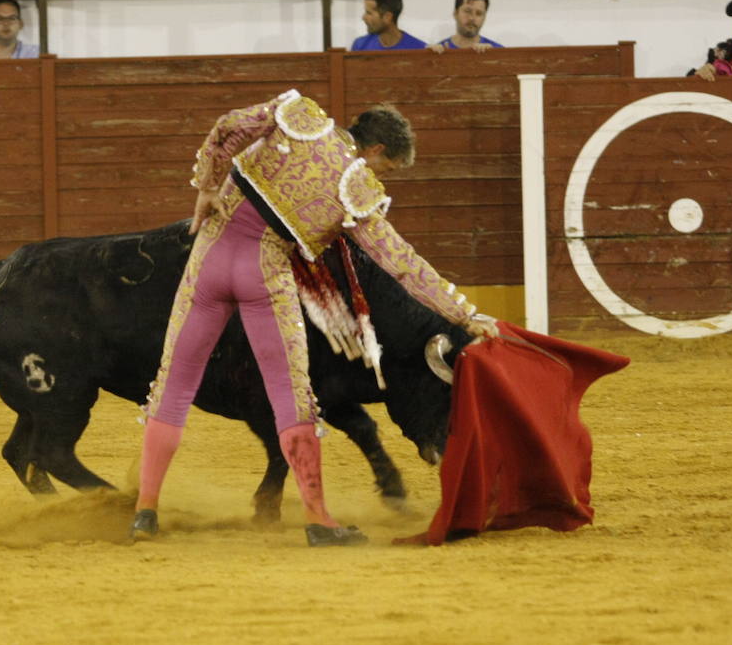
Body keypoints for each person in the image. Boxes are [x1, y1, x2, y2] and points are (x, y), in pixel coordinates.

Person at [129, 91, 496, 546]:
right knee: (291, 397)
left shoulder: (297, 114)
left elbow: (228, 126)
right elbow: (401, 263)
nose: (380, 177)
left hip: (208, 260)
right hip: (264, 273)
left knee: (174, 385)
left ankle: (145, 511)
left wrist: (208, 185)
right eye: (387, 168)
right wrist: (464, 313)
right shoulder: (357, 188)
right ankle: (318, 520)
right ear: (376, 150)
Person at [351, 0, 426, 51]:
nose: (363, 18)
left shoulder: (419, 49)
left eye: (369, 13)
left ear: (387, 17)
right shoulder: (360, 46)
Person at [430, 0, 503, 51]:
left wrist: (492, 57)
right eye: (467, 11)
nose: (472, 18)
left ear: (484, 18)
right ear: (455, 13)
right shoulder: (440, 51)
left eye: (479, 13)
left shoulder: (498, 51)